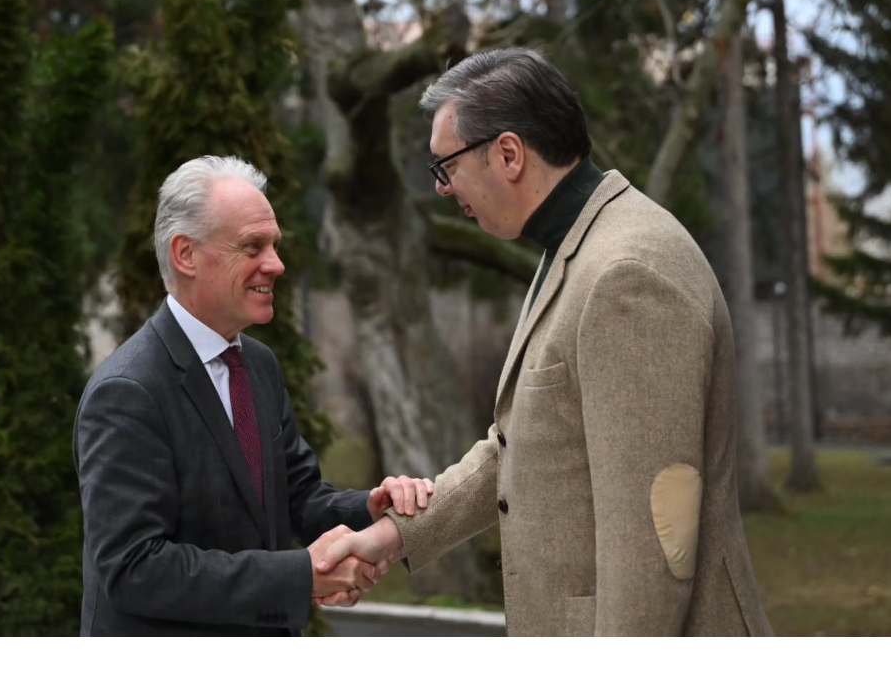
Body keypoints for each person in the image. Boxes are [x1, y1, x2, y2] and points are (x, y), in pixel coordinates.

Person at [316, 47, 774, 637]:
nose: (441, 187)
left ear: (508, 153)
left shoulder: (626, 275)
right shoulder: (578, 246)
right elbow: (519, 444)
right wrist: (391, 536)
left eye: (446, 165)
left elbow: (653, 545)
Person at [73, 155, 432, 636]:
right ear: (185, 254)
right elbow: (135, 568)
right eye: (252, 246)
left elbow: (296, 496)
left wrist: (370, 505)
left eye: (275, 245)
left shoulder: (258, 365)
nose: (276, 264)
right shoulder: (127, 393)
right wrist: (302, 576)